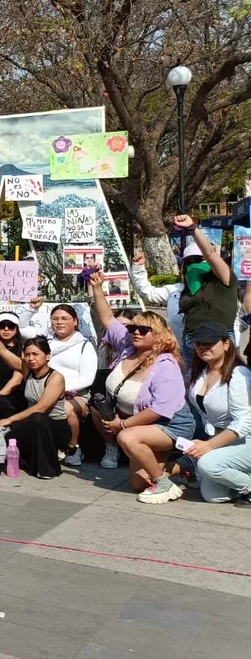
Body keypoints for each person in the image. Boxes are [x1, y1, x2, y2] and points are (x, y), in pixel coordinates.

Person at [87, 271, 193, 501]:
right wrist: (97, 287)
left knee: (127, 438)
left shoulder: (166, 365)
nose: (135, 332)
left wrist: (122, 425)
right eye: (132, 328)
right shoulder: (128, 347)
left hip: (171, 424)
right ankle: (183, 467)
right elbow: (107, 319)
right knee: (137, 483)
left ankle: (164, 484)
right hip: (141, 423)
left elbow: (159, 410)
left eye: (143, 330)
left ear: (158, 336)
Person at [166, 320, 251, 502]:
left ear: (226, 343)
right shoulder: (201, 372)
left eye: (209, 343)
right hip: (223, 440)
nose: (203, 347)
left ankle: (248, 487)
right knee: (212, 496)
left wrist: (209, 446)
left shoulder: (239, 375)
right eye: (198, 343)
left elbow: (243, 424)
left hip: (246, 439)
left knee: (207, 464)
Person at [18, 299, 98, 467]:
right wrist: (32, 308)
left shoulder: (85, 346)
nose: (59, 322)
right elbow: (23, 327)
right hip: (43, 388)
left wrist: (60, 389)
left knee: (66, 409)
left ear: (75, 321)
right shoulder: (46, 340)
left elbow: (87, 378)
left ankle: (73, 447)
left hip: (76, 395)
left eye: (64, 318)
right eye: (55, 318)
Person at [0, 337, 69, 478]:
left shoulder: (56, 378)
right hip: (33, 422)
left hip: (55, 427)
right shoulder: (28, 371)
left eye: (35, 354)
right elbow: (2, 351)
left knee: (38, 418)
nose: (31, 358)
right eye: (27, 354)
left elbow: (40, 408)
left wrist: (10, 420)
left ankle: (47, 470)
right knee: (1, 402)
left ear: (48, 356)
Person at [174, 215, 239, 362]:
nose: (194, 265)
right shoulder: (188, 286)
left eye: (199, 259)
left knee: (223, 380)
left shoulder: (225, 279)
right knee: (196, 383)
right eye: (189, 261)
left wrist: (192, 229)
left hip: (218, 340)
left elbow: (209, 254)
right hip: (192, 340)